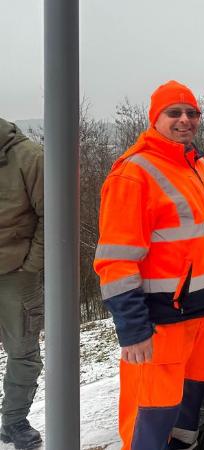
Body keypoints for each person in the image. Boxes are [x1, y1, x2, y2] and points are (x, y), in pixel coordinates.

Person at [94, 80, 204, 449]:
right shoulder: (134, 174)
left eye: (192, 113)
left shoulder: (201, 166)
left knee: (188, 409)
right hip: (162, 324)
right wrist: (132, 328)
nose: (185, 120)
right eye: (174, 113)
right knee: (152, 415)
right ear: (155, 118)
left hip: (203, 315)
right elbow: (116, 260)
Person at [0, 118, 44, 449]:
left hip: (16, 274)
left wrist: (30, 267)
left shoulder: (29, 156)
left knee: (23, 353)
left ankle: (14, 421)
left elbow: (51, 215)